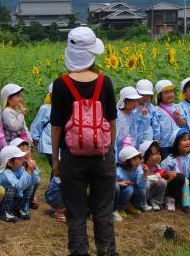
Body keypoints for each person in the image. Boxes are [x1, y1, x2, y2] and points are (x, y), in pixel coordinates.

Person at [50, 27, 117, 256]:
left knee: (76, 212)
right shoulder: (104, 82)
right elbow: (112, 122)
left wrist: (56, 160)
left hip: (72, 157)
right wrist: (108, 151)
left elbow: (57, 125)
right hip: (102, 156)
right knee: (103, 211)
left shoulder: (61, 84)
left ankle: (79, 252)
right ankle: (107, 252)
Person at [160, 128, 190, 213]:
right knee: (180, 177)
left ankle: (188, 199)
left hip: (187, 186)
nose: (187, 142)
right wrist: (168, 173)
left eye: (188, 139)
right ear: (176, 144)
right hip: (175, 187)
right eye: (184, 140)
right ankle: (170, 198)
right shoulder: (170, 159)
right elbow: (162, 174)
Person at [0, 145, 37, 222]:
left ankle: (20, 210)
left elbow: (33, 181)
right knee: (12, 187)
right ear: (10, 163)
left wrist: (33, 171)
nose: (22, 160)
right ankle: (4, 212)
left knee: (30, 185)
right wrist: (28, 172)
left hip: (14, 200)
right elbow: (18, 186)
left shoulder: (19, 169)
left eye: (22, 158)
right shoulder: (5, 173)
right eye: (19, 159)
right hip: (3, 203)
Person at [153, 80, 186, 158]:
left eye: (171, 92)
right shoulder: (156, 110)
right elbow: (155, 127)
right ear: (160, 95)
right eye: (166, 92)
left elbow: (183, 124)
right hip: (164, 145)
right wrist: (157, 141)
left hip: (177, 143)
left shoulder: (177, 107)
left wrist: (178, 117)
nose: (170, 94)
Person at [114, 145, 147, 218]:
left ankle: (132, 206)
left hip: (132, 191)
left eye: (138, 158)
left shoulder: (138, 169)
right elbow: (110, 184)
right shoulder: (118, 172)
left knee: (142, 190)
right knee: (129, 189)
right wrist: (119, 183)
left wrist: (145, 174)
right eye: (133, 159)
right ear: (125, 162)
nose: (137, 161)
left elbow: (140, 185)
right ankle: (120, 208)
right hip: (122, 193)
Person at [10, 137, 41, 210]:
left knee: (37, 181)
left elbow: (36, 178)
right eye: (22, 150)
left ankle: (30, 199)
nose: (26, 152)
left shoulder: (30, 161)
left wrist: (33, 167)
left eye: (27, 149)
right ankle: (19, 202)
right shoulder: (14, 165)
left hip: (24, 187)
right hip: (16, 189)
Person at [139, 140, 170, 211]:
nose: (158, 156)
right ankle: (143, 203)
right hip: (142, 193)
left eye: (158, 153)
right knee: (146, 183)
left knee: (162, 181)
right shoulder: (140, 167)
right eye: (154, 154)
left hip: (151, 191)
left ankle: (155, 201)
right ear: (145, 155)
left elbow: (159, 176)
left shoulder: (157, 166)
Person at [30, 83, 54, 174]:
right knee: (57, 167)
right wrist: (35, 139)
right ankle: (53, 188)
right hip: (47, 143)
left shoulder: (63, 108)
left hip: (59, 145)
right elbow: (37, 124)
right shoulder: (45, 108)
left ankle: (52, 187)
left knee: (58, 167)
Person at [116, 86, 142, 154]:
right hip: (116, 147)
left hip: (127, 147)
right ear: (125, 101)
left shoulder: (133, 115)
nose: (135, 104)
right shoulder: (117, 114)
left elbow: (134, 133)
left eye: (136, 101)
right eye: (132, 101)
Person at [135, 79, 160, 146]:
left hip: (149, 139)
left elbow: (155, 123)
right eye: (143, 95)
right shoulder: (133, 107)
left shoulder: (150, 107)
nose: (145, 98)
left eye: (148, 95)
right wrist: (143, 116)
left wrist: (157, 137)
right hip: (137, 140)